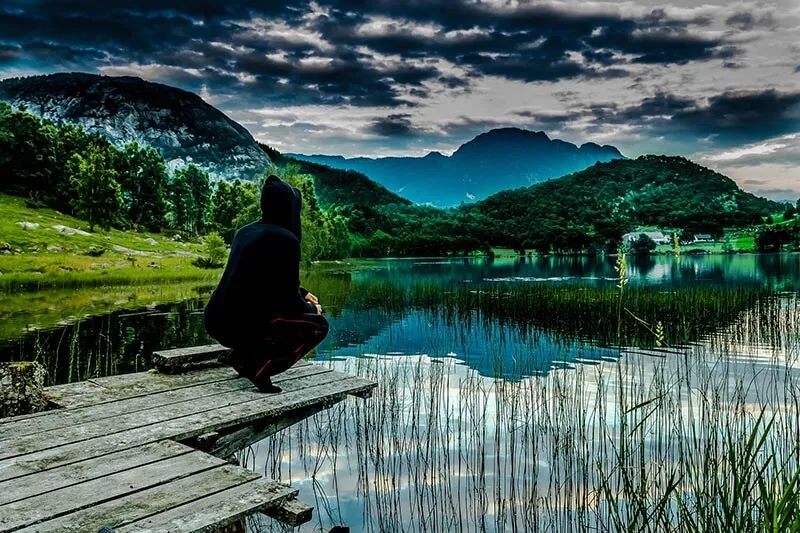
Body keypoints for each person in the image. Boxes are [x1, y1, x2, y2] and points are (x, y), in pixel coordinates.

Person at [204, 175, 329, 393]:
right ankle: (259, 368)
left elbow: (260, 278)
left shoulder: (245, 232)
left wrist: (304, 292)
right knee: (317, 326)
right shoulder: (286, 240)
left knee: (267, 316)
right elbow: (288, 303)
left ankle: (241, 357)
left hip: (215, 321)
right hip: (240, 325)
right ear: (289, 208)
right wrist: (312, 309)